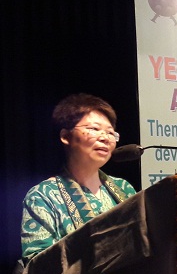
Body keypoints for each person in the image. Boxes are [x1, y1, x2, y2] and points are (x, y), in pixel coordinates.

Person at [20, 93, 137, 262]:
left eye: (111, 133)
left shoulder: (123, 188)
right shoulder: (42, 195)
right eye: (94, 129)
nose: (105, 138)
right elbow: (36, 263)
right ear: (65, 136)